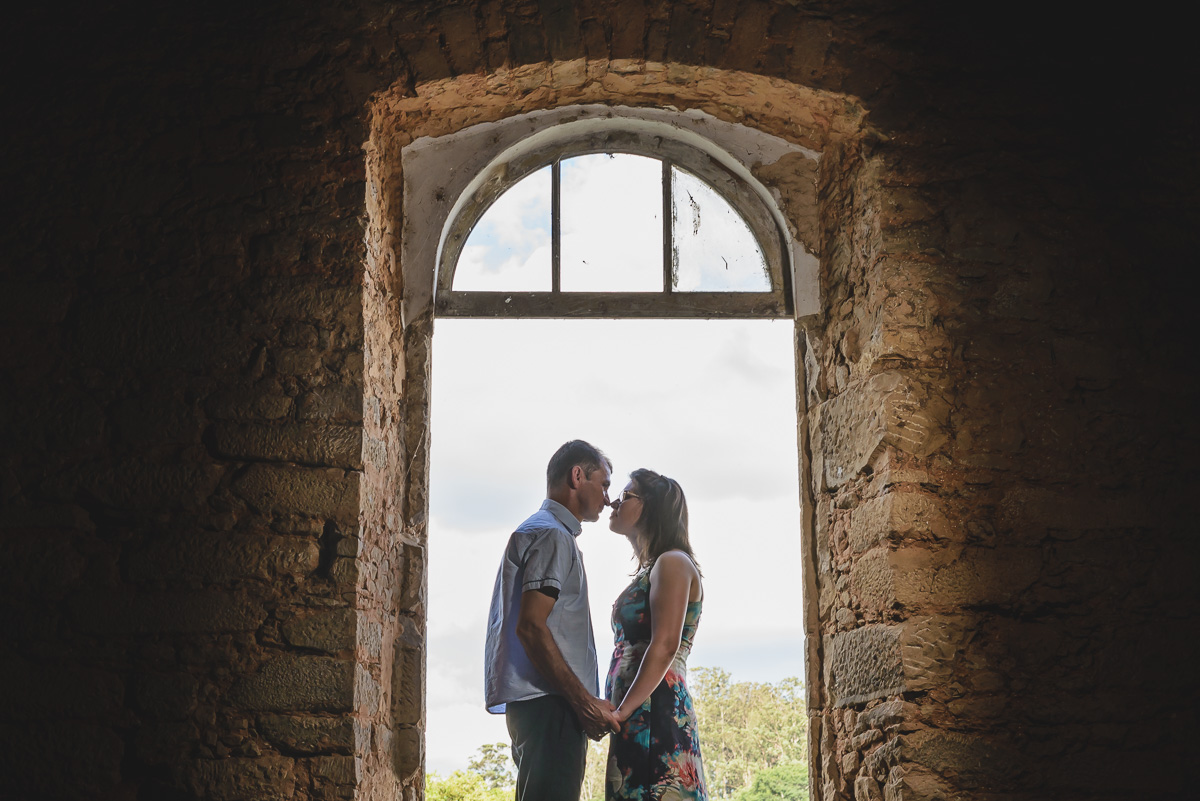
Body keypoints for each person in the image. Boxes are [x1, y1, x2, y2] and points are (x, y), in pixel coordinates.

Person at [484, 440, 622, 801]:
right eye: (604, 484)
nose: (608, 498)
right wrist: (583, 702)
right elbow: (530, 626)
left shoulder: (542, 531)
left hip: (543, 706)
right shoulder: (552, 535)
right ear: (577, 476)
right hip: (552, 704)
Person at [605, 468, 708, 800]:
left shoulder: (673, 562)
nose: (613, 504)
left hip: (655, 715)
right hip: (637, 716)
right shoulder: (654, 568)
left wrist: (623, 711)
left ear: (649, 506)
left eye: (625, 496)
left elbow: (664, 645)